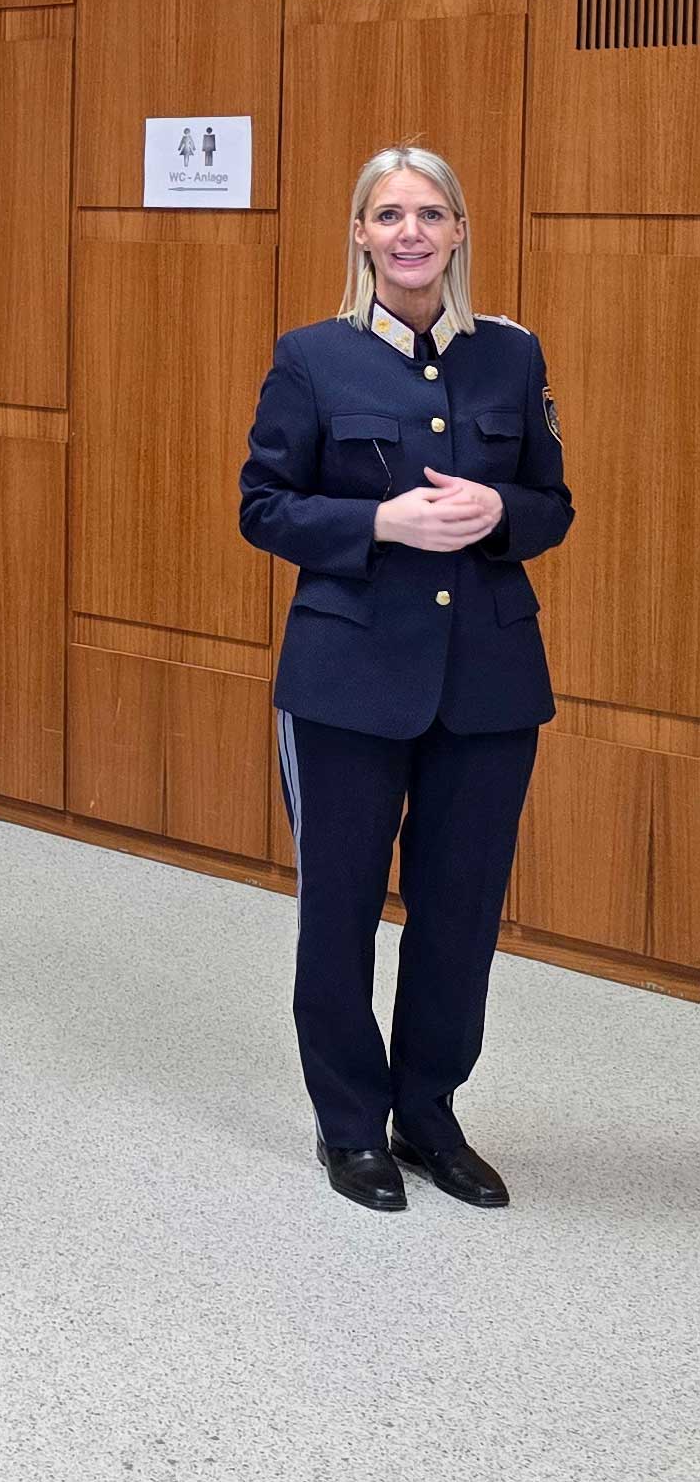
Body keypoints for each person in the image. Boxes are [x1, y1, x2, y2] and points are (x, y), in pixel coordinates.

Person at [239, 145, 572, 1214]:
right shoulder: (310, 357)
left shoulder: (510, 355)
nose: (410, 232)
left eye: (430, 213)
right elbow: (262, 506)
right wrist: (378, 521)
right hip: (346, 678)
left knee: (459, 910)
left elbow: (551, 503)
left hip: (485, 679)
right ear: (359, 234)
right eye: (388, 215)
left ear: (458, 229)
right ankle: (349, 1125)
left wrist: (501, 512)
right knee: (338, 908)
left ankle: (427, 1113)